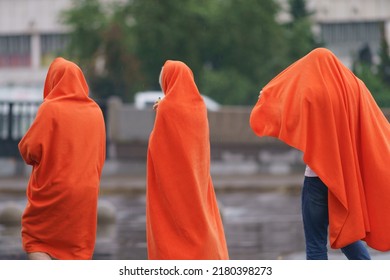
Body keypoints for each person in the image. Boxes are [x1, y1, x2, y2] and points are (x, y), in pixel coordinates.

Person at [249, 48, 390, 260]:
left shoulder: (314, 92)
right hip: (346, 180)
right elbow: (371, 124)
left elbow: (290, 113)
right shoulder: (355, 87)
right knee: (348, 236)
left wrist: (267, 97)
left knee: (315, 244)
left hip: (317, 177)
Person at [18, 57, 106, 260]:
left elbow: (29, 150)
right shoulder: (95, 111)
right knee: (76, 249)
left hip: (54, 188)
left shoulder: (50, 108)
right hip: (86, 192)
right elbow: (100, 153)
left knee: (37, 240)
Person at [146, 60, 229, 260]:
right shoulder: (200, 106)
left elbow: (158, 145)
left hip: (174, 179)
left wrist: (162, 109)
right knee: (199, 218)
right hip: (197, 175)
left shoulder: (166, 107)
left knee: (173, 223)